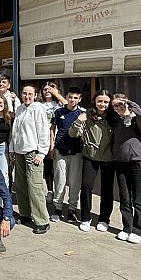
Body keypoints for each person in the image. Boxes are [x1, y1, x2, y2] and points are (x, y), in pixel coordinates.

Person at [69, 90, 117, 233]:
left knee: (107, 189)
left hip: (109, 158)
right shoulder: (87, 115)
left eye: (106, 102)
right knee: (86, 186)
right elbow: (72, 133)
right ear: (94, 102)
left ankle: (104, 219)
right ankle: (85, 217)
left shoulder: (114, 117)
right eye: (100, 101)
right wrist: (79, 121)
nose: (102, 104)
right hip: (90, 157)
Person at [9, 85, 50, 234]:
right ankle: (25, 214)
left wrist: (42, 152)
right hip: (19, 151)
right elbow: (15, 130)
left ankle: (42, 221)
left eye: (30, 94)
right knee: (20, 185)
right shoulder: (20, 108)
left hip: (33, 152)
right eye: (24, 93)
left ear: (35, 95)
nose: (27, 96)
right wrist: (12, 148)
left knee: (35, 187)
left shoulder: (38, 108)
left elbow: (44, 131)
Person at [111, 94, 141, 244]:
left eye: (120, 104)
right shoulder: (116, 121)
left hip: (137, 163)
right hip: (120, 163)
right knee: (124, 198)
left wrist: (129, 103)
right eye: (115, 106)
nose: (118, 107)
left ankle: (139, 230)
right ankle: (127, 227)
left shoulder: (135, 120)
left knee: (138, 199)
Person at [49, 87, 84, 223]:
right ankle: (58, 208)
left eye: (75, 98)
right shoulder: (59, 112)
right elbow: (52, 129)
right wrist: (52, 147)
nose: (72, 100)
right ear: (67, 97)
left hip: (76, 151)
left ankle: (72, 209)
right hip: (60, 150)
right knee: (60, 181)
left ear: (79, 99)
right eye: (70, 97)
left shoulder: (82, 114)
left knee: (75, 182)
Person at [40, 81, 68, 203]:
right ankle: (50, 190)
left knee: (59, 168)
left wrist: (56, 94)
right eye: (45, 89)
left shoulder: (60, 105)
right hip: (44, 138)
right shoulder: (39, 105)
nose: (48, 91)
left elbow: (68, 105)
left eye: (50, 89)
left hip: (59, 138)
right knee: (48, 165)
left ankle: (59, 192)